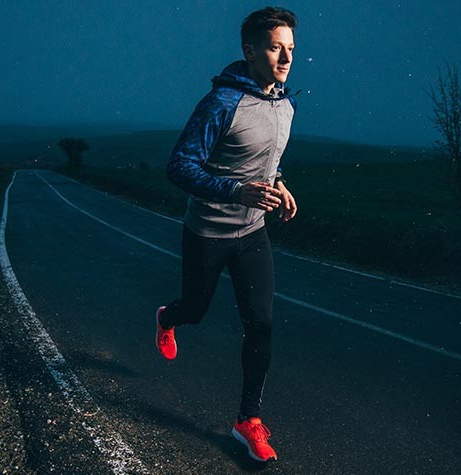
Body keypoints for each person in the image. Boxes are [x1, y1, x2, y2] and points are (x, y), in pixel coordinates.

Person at [155, 6, 298, 463]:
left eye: (291, 49)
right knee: (195, 310)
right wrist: (238, 191)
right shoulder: (221, 103)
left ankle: (247, 421)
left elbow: (265, 161)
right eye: (276, 47)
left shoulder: (285, 104)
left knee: (262, 324)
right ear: (250, 50)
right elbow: (179, 166)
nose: (285, 58)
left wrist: (277, 184)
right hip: (208, 233)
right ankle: (168, 317)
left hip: (252, 234)